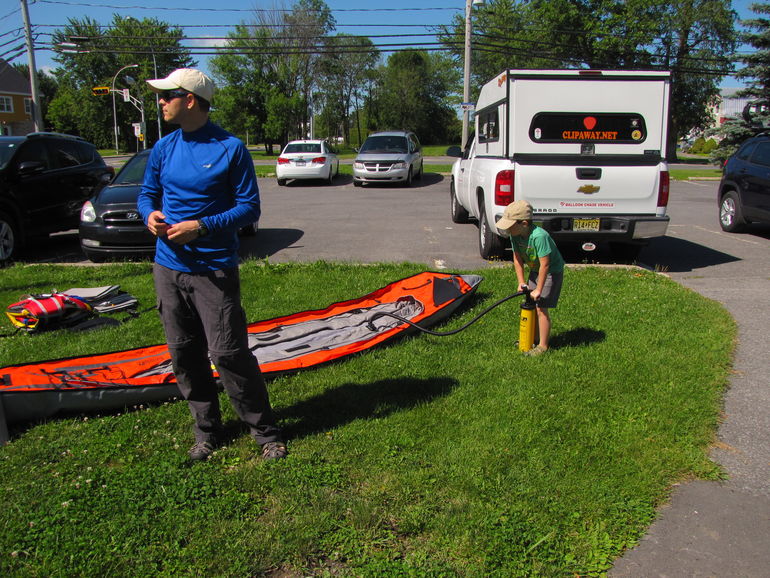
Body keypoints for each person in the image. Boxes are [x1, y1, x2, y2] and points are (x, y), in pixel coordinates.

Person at [137, 68, 286, 461]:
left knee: (228, 353)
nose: (161, 101)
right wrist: (149, 215)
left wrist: (201, 227)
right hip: (168, 268)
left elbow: (249, 208)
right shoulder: (164, 147)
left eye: (168, 95)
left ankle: (265, 432)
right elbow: (147, 194)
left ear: (190, 100)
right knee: (183, 352)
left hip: (214, 270)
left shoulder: (230, 148)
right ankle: (206, 429)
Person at [495, 200, 565, 356]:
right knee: (530, 304)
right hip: (535, 270)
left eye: (510, 225)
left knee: (541, 307)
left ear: (524, 223)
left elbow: (545, 265)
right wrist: (521, 281)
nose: (507, 229)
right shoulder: (516, 235)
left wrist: (539, 289)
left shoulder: (539, 237)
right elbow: (517, 259)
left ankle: (543, 346)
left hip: (551, 272)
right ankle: (532, 338)